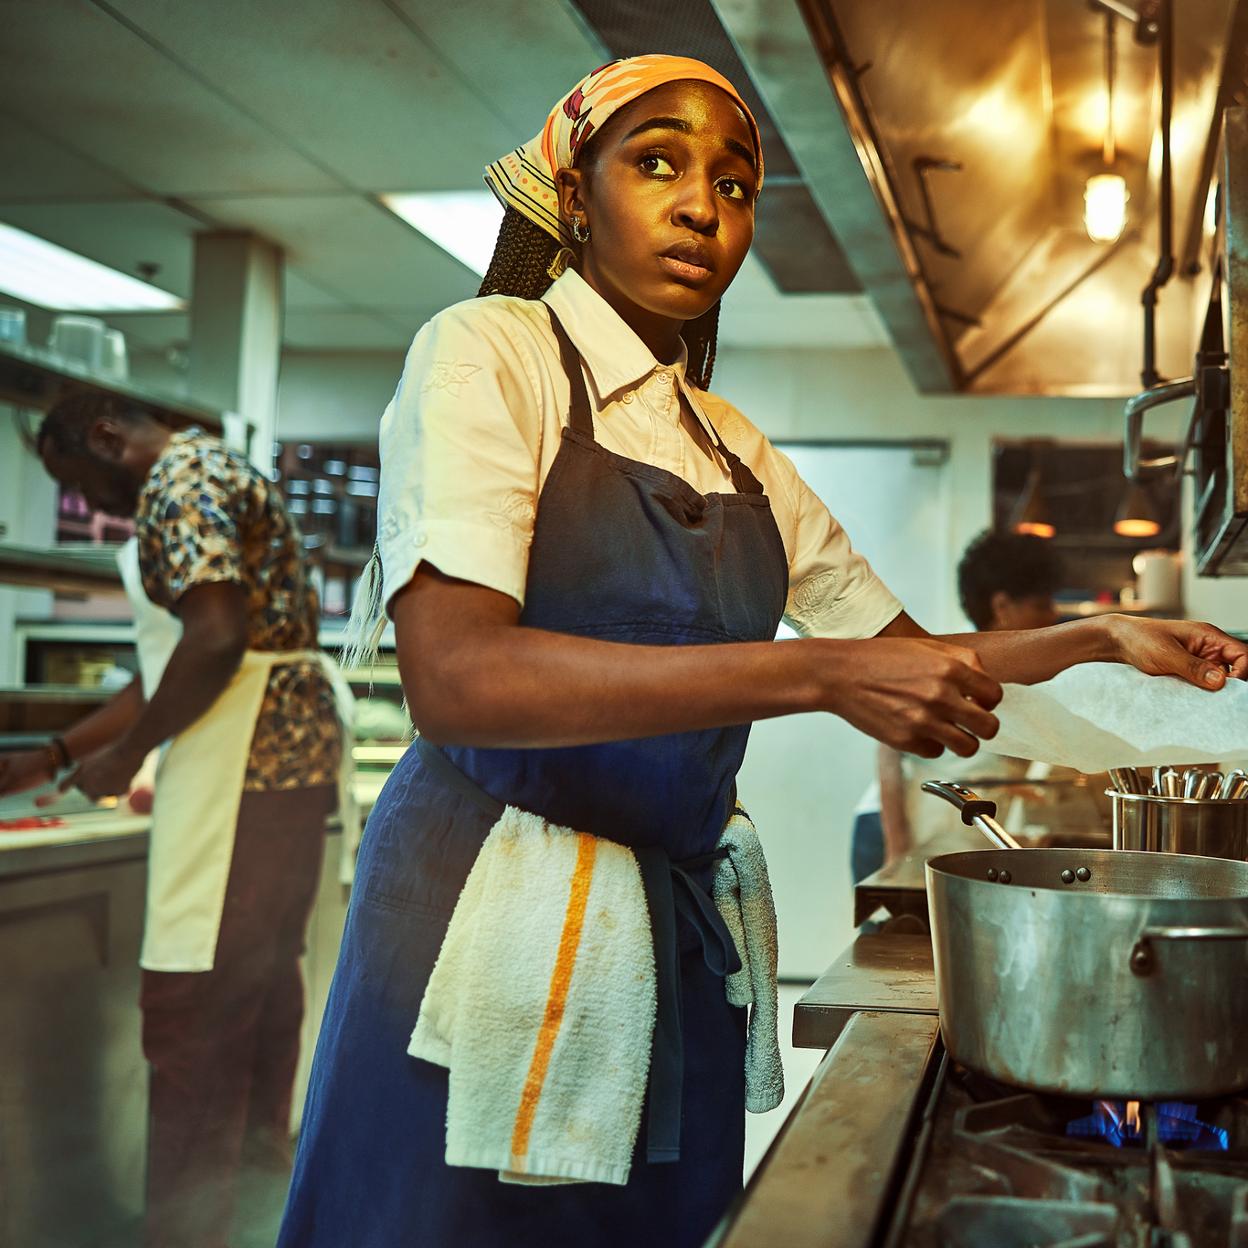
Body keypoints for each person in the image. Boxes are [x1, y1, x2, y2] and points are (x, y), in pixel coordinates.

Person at [277, 55, 1248, 1248]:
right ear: (573, 197)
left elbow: (906, 654)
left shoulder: (729, 443)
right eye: (658, 164)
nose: (703, 206)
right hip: (480, 927)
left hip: (667, 935)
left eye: (735, 185)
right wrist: (820, 677)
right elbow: (460, 679)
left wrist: (1098, 637)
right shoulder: (490, 352)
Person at [0, 392, 354, 1248]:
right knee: (258, 1006)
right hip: (281, 771)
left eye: (76, 481)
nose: (89, 503)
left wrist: (126, 758)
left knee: (196, 1017)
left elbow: (215, 640)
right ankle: (256, 1220)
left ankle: (187, 1235)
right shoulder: (214, 465)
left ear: (104, 437)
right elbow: (174, 659)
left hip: (245, 771)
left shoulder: (178, 481)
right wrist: (60, 753)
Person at [857, 531, 1062, 881]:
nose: (1054, 614)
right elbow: (888, 750)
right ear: (1002, 607)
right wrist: (897, 848)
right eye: (1042, 604)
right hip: (891, 829)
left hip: (946, 835)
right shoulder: (951, 665)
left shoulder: (1024, 672)